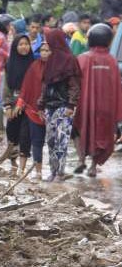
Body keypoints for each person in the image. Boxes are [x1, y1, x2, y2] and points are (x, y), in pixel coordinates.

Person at [73, 24, 122, 177]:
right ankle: (93, 166)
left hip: (85, 104)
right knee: (101, 134)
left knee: (77, 129)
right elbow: (116, 87)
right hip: (106, 107)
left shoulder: (83, 58)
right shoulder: (112, 61)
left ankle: (81, 159)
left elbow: (74, 83)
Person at [37, 29, 81, 182]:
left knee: (62, 140)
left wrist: (71, 105)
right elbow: (45, 85)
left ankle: (60, 173)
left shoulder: (70, 60)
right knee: (50, 140)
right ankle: (53, 171)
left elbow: (74, 85)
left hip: (64, 106)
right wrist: (41, 105)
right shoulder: (50, 61)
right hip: (50, 107)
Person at [15, 42, 50, 180]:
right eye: (42, 50)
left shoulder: (57, 69)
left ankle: (46, 172)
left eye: (47, 50)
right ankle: (27, 170)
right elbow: (26, 86)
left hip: (50, 110)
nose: (44, 53)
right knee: (29, 139)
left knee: (46, 142)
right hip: (31, 110)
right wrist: (20, 103)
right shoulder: (34, 67)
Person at [3, 35, 35, 176]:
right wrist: (8, 106)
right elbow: (6, 87)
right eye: (21, 44)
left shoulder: (34, 64)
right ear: (15, 47)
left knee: (25, 135)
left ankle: (22, 168)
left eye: (26, 44)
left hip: (29, 105)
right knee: (12, 133)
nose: (24, 47)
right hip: (13, 102)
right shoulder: (10, 64)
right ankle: (13, 162)